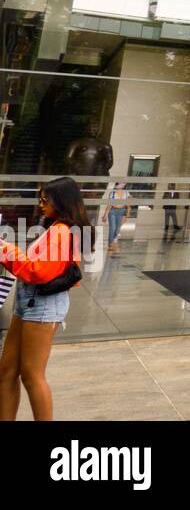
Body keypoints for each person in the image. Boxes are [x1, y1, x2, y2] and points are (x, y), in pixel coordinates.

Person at [0, 177, 91, 421]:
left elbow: (39, 271)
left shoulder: (61, 231)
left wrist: (6, 251)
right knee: (7, 370)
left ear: (61, 202)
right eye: (40, 199)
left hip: (42, 307)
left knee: (32, 375)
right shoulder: (55, 227)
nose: (41, 204)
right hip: (29, 305)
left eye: (45, 200)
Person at [103, 181, 130, 255]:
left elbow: (128, 203)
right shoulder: (113, 193)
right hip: (112, 211)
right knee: (113, 227)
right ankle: (110, 244)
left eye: (123, 184)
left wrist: (128, 212)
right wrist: (105, 215)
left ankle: (113, 240)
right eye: (121, 184)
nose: (122, 185)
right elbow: (109, 205)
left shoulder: (126, 193)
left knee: (118, 228)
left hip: (122, 211)